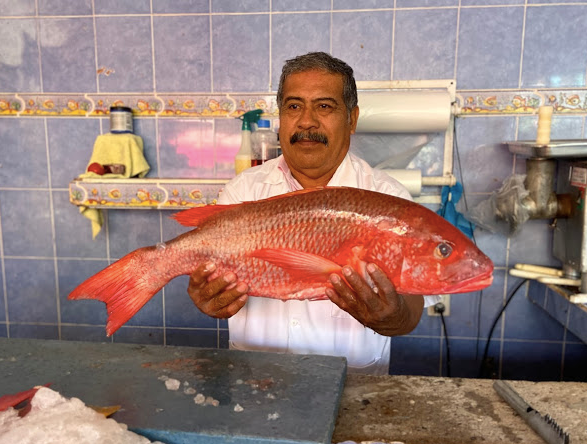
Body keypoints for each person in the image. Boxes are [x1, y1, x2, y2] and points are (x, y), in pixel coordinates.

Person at [187, 52, 438, 375]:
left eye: (324, 106)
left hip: (354, 387)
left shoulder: (387, 199)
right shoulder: (244, 191)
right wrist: (210, 298)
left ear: (352, 119)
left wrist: (392, 316)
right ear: (281, 117)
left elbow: (411, 312)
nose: (306, 121)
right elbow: (211, 284)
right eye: (294, 106)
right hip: (254, 384)